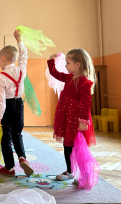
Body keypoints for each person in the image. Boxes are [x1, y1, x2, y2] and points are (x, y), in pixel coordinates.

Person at [47, 49, 96, 181]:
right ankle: (70, 171)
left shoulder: (84, 82)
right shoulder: (69, 77)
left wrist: (83, 120)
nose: (65, 66)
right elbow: (54, 73)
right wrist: (51, 60)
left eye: (68, 63)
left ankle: (85, 175)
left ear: (77, 64)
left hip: (76, 119)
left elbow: (86, 102)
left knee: (79, 147)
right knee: (67, 145)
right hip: (67, 117)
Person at [0, 30, 33, 177]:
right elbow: (24, 56)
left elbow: (0, 100)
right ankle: (22, 157)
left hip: (8, 107)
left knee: (6, 137)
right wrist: (19, 40)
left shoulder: (1, 77)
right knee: (18, 134)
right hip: (19, 105)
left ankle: (9, 167)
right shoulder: (20, 70)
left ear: (3, 58)